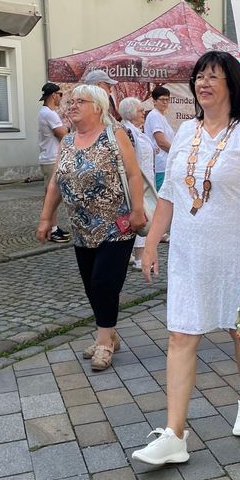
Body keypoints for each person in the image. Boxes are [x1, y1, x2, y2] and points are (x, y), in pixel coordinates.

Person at [132, 51, 240, 465]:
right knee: (181, 334)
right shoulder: (184, 132)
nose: (204, 83)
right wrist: (150, 243)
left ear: (231, 84)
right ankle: (174, 434)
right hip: (189, 252)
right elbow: (168, 195)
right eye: (199, 76)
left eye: (213, 76)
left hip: (238, 252)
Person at [37, 84, 146, 371]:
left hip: (116, 225)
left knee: (104, 282)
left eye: (79, 102)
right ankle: (108, 331)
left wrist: (137, 210)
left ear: (98, 107)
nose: (71, 106)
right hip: (81, 228)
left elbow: (134, 175)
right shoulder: (68, 142)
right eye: (70, 102)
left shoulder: (115, 135)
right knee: (91, 286)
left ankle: (104, 343)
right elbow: (55, 183)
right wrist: (46, 218)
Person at [119, 97, 158, 268]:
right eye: (141, 110)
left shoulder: (137, 131)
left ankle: (127, 254)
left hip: (146, 179)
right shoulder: (127, 132)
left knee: (142, 215)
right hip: (137, 182)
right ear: (130, 113)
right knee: (142, 216)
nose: (144, 113)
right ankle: (140, 258)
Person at [37, 83, 71, 243]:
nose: (61, 98)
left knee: (54, 194)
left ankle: (54, 227)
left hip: (51, 157)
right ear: (53, 96)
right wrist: (68, 130)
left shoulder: (47, 113)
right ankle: (51, 229)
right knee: (51, 195)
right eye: (60, 94)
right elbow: (62, 133)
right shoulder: (49, 114)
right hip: (51, 158)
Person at [144, 86, 174, 190]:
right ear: (154, 101)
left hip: (164, 163)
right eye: (162, 99)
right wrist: (176, 153)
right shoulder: (155, 116)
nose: (165, 102)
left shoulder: (161, 116)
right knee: (160, 197)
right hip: (160, 164)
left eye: (167, 99)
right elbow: (161, 142)